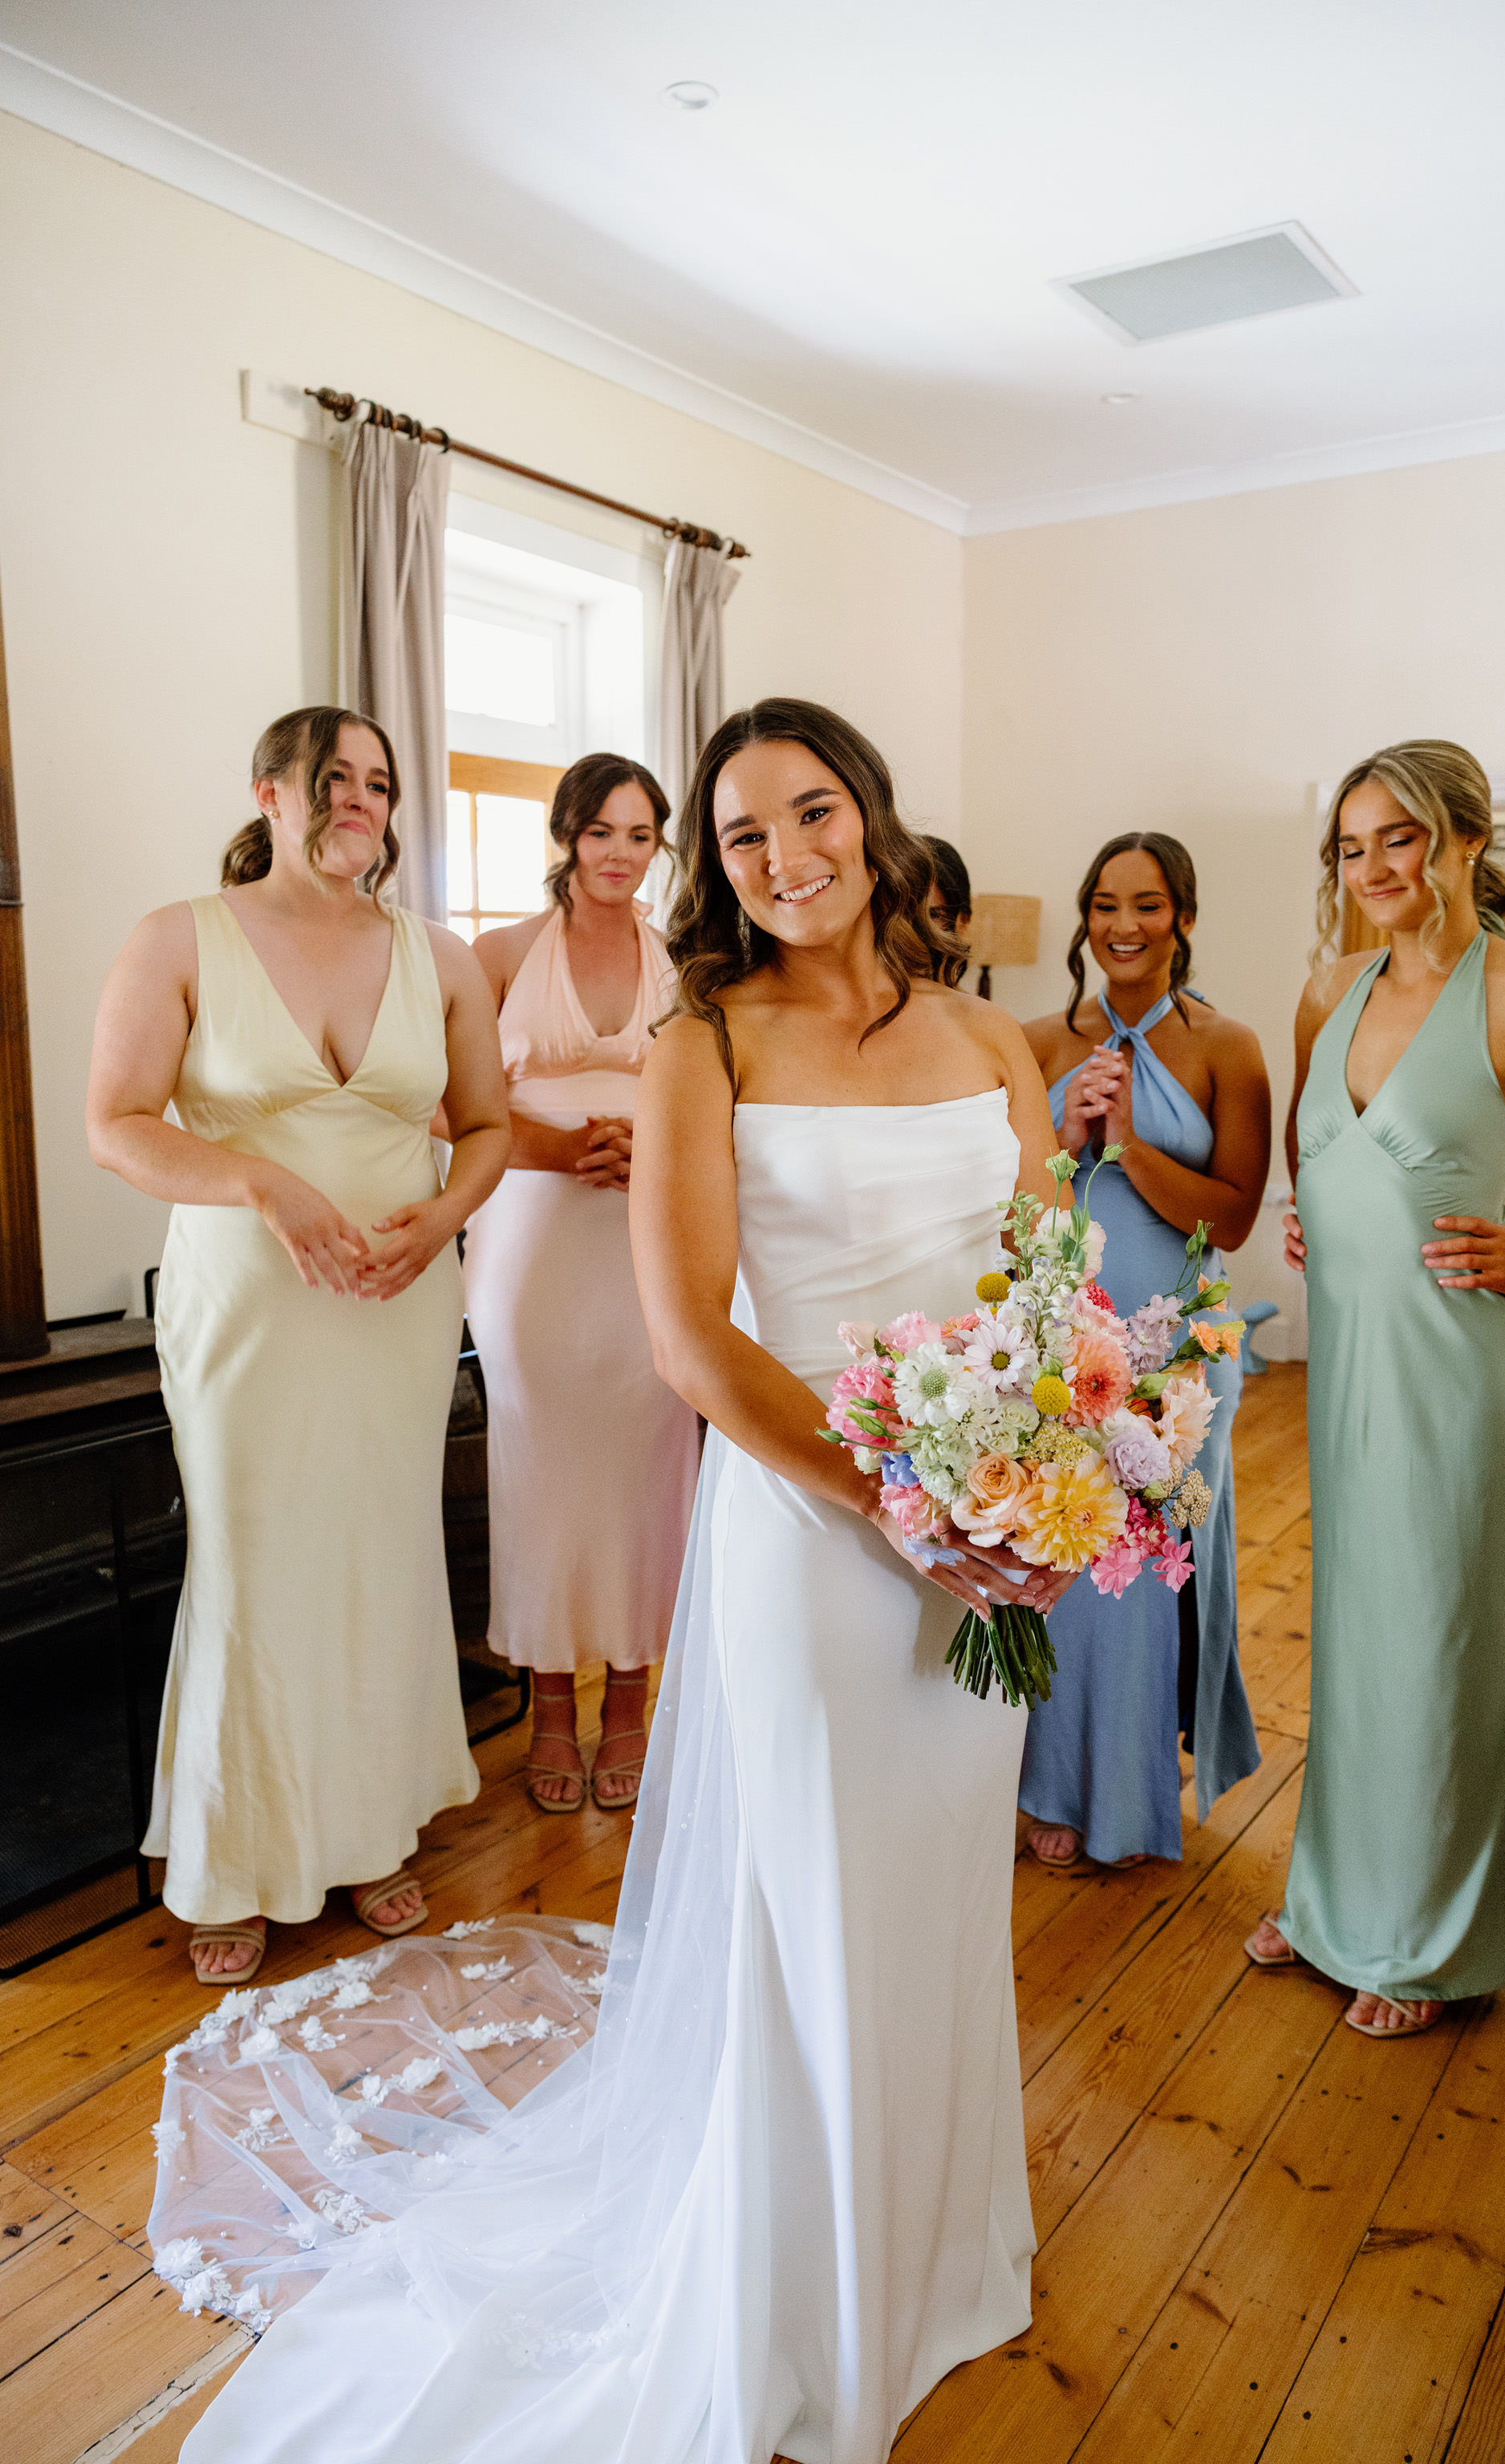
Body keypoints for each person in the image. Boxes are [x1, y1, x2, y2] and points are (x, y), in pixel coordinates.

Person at [169, 696, 1076, 2464]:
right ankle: (797, 2295)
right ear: (715, 871)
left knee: (935, 1893)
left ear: (871, 813)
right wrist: (906, 1506)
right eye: (744, 836)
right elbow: (692, 1345)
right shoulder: (702, 1039)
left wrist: (1040, 1489)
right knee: (812, 1906)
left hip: (981, 1547)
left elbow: (1043, 1290)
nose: (786, 856)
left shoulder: (990, 1037)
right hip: (821, 1534)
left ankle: (932, 2250)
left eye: (812, 812)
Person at [86, 708, 509, 1984]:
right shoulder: (179, 939)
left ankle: (373, 1831)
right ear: (270, 792)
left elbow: (488, 1125)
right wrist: (263, 1184)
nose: (361, 801)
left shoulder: (439, 956)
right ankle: (235, 1857)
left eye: (379, 783)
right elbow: (118, 1123)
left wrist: (443, 1216)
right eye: (335, 779)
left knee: (381, 1549)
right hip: (249, 1308)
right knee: (254, 1557)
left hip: (398, 1299)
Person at [1247, 739, 1505, 2037]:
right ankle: (1332, 1899)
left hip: (1460, 1375)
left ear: (1468, 839)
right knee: (1361, 1639)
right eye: (1350, 846)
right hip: (1351, 1368)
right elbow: (1319, 1150)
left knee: (1442, 1644)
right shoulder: (1330, 987)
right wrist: (1317, 1204)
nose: (1372, 868)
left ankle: (1428, 1935)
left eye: (1399, 838)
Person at [1018, 836, 1270, 1867]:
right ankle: (1045, 1782)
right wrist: (1068, 1143)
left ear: (1184, 919)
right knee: (1055, 1556)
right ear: (1084, 917)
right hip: (1059, 1331)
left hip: (1174, 1341)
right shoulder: (1034, 1040)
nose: (1123, 926)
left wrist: (1129, 1145)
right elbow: (1011, 1201)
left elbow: (1235, 1215)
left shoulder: (1228, 1048)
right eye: (1105, 905)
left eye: (1148, 905)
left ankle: (1126, 1784)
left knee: (1141, 1573)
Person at [461, 755, 698, 1816]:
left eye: (640, 835)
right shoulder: (499, 955)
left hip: (648, 1236)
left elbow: (718, 1101)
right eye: (601, 831)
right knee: (540, 1468)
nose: (620, 853)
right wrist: (564, 1151)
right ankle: (551, 1703)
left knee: (652, 1461)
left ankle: (632, 1697)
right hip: (532, 1241)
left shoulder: (688, 966)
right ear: (564, 834)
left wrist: (653, 1154)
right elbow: (448, 1108)